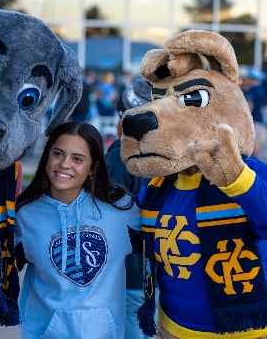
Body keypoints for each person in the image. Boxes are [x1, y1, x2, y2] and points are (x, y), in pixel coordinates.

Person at [15, 121, 142, 338]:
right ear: (47, 158)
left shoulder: (121, 210)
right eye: (58, 154)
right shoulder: (25, 215)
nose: (64, 164)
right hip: (43, 333)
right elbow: (1, 271)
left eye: (77, 159)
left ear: (93, 168)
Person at [105, 77, 155, 339]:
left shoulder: (118, 159)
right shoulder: (161, 157)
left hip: (130, 275)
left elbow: (107, 219)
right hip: (153, 269)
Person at [242, 66, 267, 158]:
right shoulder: (260, 89)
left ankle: (255, 167)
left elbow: (249, 107)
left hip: (253, 121)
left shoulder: (253, 91)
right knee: (257, 146)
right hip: (258, 120)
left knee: (253, 148)